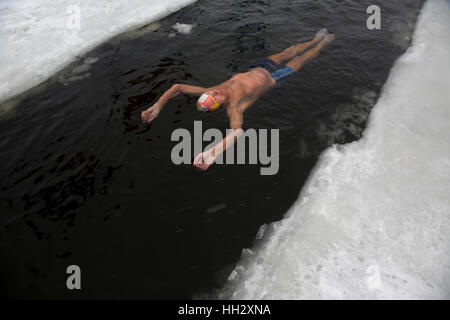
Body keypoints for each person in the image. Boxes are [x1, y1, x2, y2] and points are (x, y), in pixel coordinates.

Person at [141, 29, 335, 170]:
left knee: (287, 52)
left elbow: (178, 87)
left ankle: (313, 39)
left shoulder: (211, 90)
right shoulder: (235, 106)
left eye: (212, 94)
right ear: (220, 105)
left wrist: (157, 107)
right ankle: (323, 44)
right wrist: (212, 153)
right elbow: (236, 133)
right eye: (215, 98)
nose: (217, 93)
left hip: (259, 66)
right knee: (299, 60)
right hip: (274, 78)